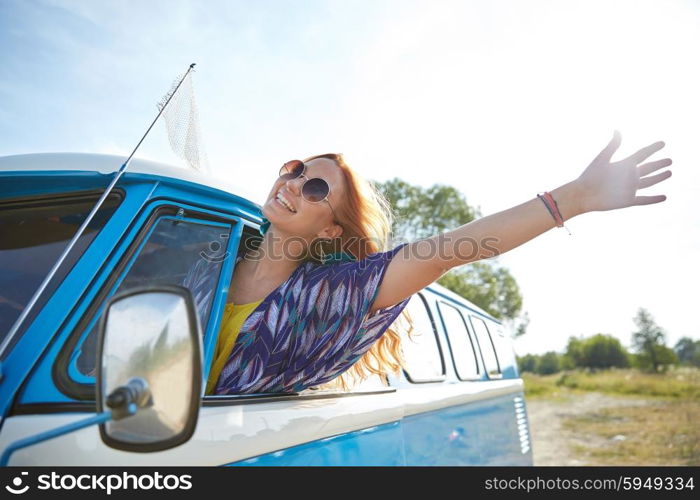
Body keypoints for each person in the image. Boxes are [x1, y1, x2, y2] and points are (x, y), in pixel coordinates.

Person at [205, 130, 672, 395]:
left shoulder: (332, 293)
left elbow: (448, 250)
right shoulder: (202, 254)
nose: (293, 183)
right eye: (295, 170)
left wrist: (574, 198)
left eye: (315, 189)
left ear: (331, 229)